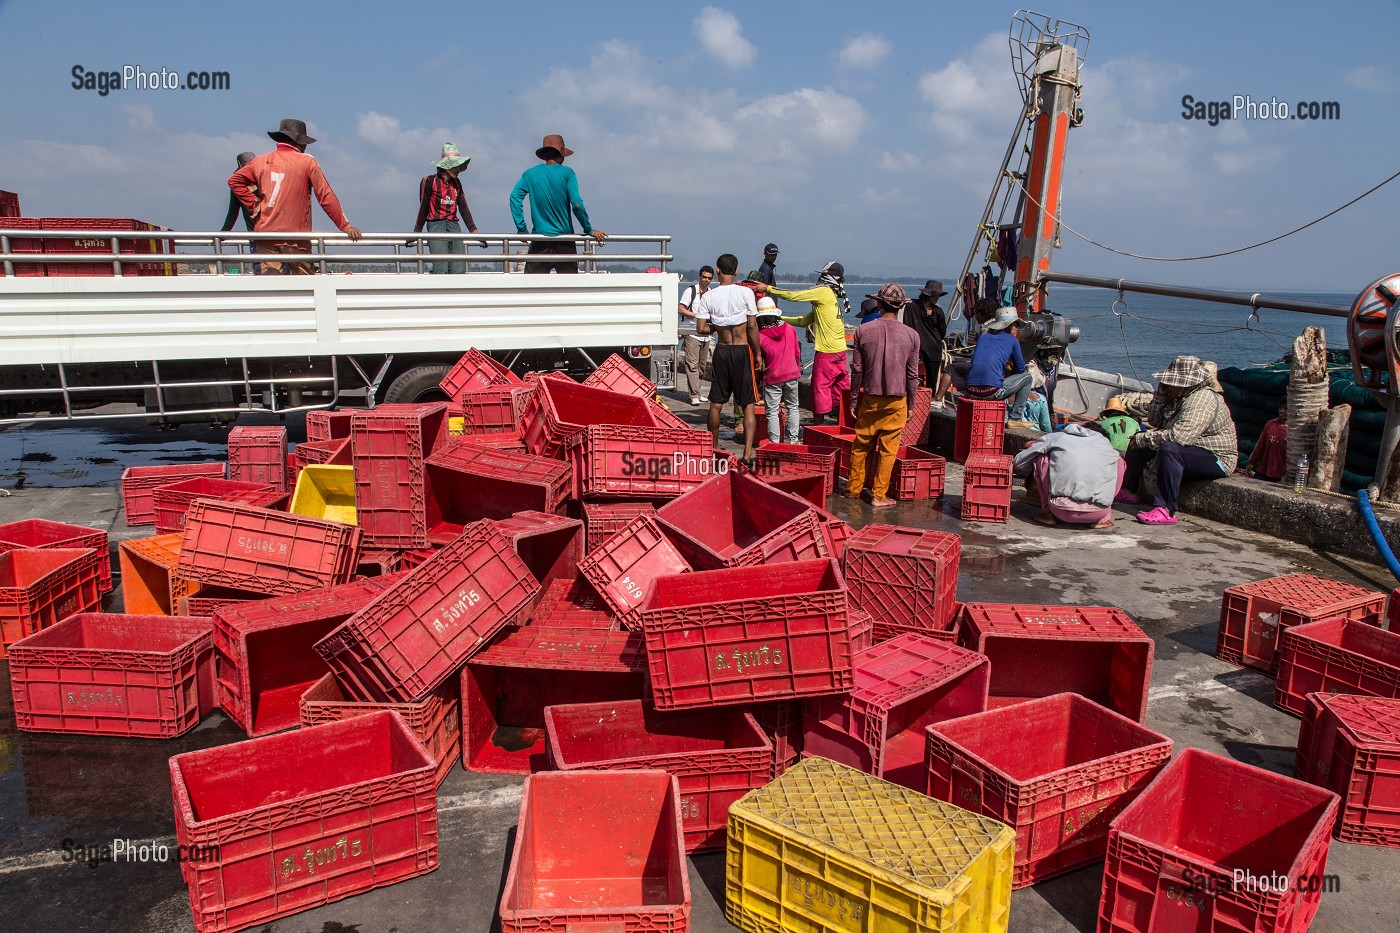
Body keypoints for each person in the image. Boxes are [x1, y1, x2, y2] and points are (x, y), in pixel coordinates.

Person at [228, 118, 363, 275]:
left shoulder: (260, 161)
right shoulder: (307, 162)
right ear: (298, 142)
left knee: (272, 287)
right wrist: (345, 226)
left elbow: (234, 181)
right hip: (296, 236)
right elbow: (325, 196)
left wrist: (254, 203)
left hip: (266, 235)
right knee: (306, 286)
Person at [1118, 355, 1238, 525]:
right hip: (1189, 448)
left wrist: (1142, 439)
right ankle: (1128, 491)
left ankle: (1165, 508)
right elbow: (1154, 421)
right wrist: (1160, 396)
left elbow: (1179, 437)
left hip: (1216, 458)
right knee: (1141, 446)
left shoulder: (1202, 399)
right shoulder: (1178, 397)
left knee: (1170, 449)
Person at [845, 284, 920, 508]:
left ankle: (853, 489)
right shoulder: (912, 335)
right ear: (900, 307)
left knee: (861, 445)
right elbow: (912, 375)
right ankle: (878, 495)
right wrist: (913, 404)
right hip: (897, 400)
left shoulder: (862, 331)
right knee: (888, 450)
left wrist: (853, 400)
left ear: (878, 303)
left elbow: (857, 370)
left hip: (870, 397)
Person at [694, 253, 761, 463]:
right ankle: (748, 454)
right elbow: (751, 325)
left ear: (718, 270)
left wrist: (715, 327)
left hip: (722, 351)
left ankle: (714, 449)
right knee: (748, 404)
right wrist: (758, 352)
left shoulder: (708, 297)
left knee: (716, 403)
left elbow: (701, 328)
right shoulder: (746, 293)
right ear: (737, 271)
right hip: (741, 351)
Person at [769, 261, 852, 425]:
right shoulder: (831, 299)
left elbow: (794, 296)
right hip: (841, 352)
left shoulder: (823, 292)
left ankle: (818, 426)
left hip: (826, 353)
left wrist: (768, 288)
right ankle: (845, 425)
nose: (818, 280)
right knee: (841, 391)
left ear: (827, 278)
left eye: (822, 275)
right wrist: (779, 318)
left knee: (820, 390)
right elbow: (802, 321)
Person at [509, 134, 606, 274]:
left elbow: (514, 198)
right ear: (561, 153)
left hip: (539, 240)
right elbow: (577, 204)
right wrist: (589, 229)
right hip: (565, 240)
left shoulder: (530, 174)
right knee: (569, 291)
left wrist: (522, 230)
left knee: (533, 290)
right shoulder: (567, 173)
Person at [1014, 422, 1124, 528]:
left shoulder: (1056, 437)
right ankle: (1102, 519)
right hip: (1099, 512)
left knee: (1042, 458)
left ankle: (1048, 515)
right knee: (1119, 462)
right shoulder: (1105, 443)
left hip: (1060, 510)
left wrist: (1036, 448)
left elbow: (1018, 462)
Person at [413, 142, 479, 274]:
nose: (458, 170)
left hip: (454, 224)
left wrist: (474, 230)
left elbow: (463, 206)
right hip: (436, 224)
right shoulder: (429, 181)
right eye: (456, 167)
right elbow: (424, 205)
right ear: (447, 167)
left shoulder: (457, 183)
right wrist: (417, 230)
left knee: (459, 266)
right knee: (440, 265)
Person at [965, 307, 1034, 428]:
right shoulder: (1012, 340)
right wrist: (1010, 373)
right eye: (1015, 325)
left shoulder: (983, 337)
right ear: (1008, 326)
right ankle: (1015, 418)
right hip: (991, 392)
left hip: (970, 391)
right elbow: (1020, 368)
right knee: (1027, 377)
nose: (1017, 329)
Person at [758, 297, 802, 444]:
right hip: (792, 373)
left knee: (772, 412)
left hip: (773, 376)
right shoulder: (790, 329)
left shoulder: (760, 336)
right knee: (793, 407)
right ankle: (793, 440)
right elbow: (797, 353)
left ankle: (775, 442)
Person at [907, 280, 951, 405]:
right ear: (929, 295)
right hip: (920, 347)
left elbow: (942, 331)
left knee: (932, 379)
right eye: (936, 295)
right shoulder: (912, 306)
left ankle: (928, 402)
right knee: (912, 375)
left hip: (933, 349)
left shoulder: (938, 312)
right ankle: (913, 399)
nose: (937, 298)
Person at [677, 265, 715, 404]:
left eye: (709, 278)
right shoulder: (690, 291)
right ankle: (694, 395)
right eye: (704, 277)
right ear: (700, 277)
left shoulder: (711, 293)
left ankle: (696, 391)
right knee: (692, 364)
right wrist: (697, 315)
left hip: (706, 334)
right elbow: (681, 309)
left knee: (702, 366)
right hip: (692, 332)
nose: (706, 280)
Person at [1245, 401, 1289, 481]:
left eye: (1285, 409)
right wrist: (1252, 462)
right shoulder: (1270, 424)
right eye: (1280, 408)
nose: (1281, 411)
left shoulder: (1293, 431)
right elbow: (1260, 445)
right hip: (1264, 470)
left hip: (1281, 474)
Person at [221, 151, 257, 233]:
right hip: (255, 236)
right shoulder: (238, 187)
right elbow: (232, 214)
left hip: (274, 232)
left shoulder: (265, 182)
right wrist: (222, 235)